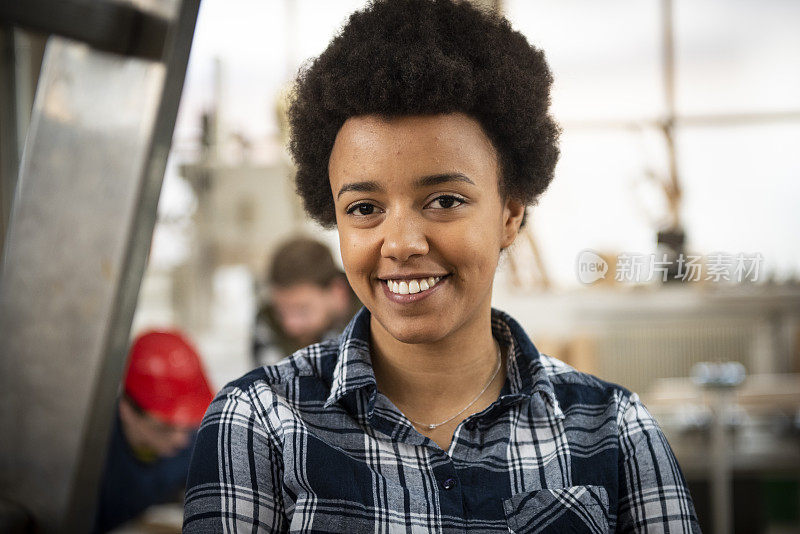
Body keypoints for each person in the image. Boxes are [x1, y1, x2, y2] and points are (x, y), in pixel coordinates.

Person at [184, 0, 701, 532]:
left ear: (510, 214)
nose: (402, 243)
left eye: (446, 201)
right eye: (364, 209)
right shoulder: (258, 426)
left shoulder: (615, 432)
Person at [94, 330, 214, 533]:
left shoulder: (198, 442)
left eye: (189, 424)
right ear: (126, 409)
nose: (181, 440)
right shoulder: (91, 459)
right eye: (164, 427)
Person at [252, 237, 361, 367]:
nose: (290, 325)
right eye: (280, 312)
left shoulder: (374, 316)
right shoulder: (268, 318)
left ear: (338, 292)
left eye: (302, 310)